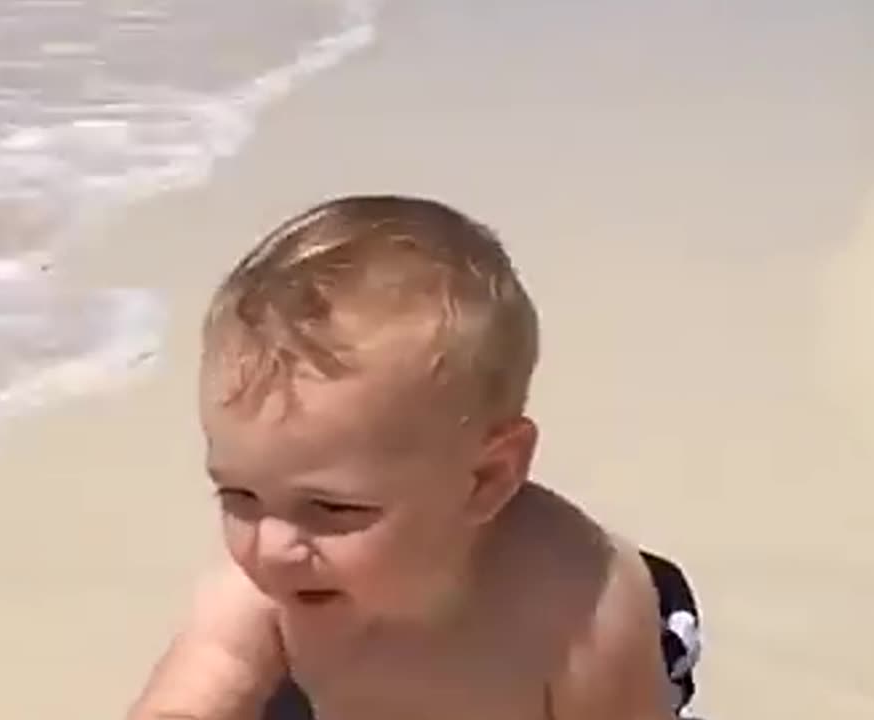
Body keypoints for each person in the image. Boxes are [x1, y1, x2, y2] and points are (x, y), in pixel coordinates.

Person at [126, 195, 703, 720]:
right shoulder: (268, 584)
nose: (270, 546)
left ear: (485, 479)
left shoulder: (578, 607)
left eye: (331, 508)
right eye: (239, 497)